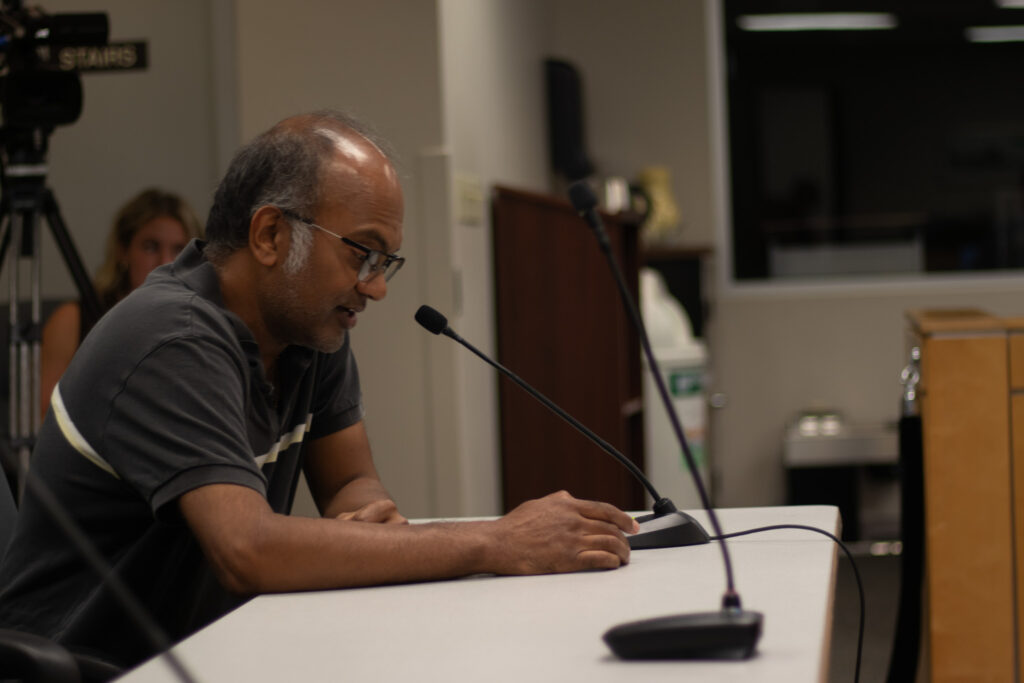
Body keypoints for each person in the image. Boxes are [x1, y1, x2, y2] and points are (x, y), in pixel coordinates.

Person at [0, 110, 636, 669]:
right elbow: (247, 549)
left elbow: (350, 486)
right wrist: (494, 541)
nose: (376, 286)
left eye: (385, 261)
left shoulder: (309, 330)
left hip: (211, 649)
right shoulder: (171, 337)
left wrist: (368, 520)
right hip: (98, 668)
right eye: (363, 252)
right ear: (271, 235)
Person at [39, 188, 202, 417]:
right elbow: (48, 419)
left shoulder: (201, 323)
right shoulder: (73, 319)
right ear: (123, 251)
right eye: (150, 247)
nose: (166, 262)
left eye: (179, 250)